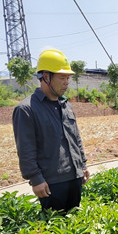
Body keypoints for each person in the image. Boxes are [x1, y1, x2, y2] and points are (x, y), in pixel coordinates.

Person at [12, 49, 90, 213]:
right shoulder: (27, 109)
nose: (67, 82)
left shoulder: (66, 105)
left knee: (76, 227)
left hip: (75, 177)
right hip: (51, 183)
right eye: (62, 77)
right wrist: (35, 179)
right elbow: (26, 149)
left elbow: (76, 138)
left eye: (68, 77)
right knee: (55, 231)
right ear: (46, 77)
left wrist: (82, 164)